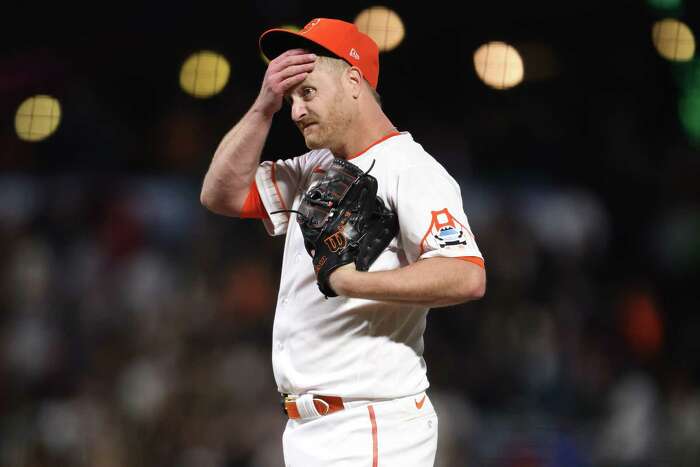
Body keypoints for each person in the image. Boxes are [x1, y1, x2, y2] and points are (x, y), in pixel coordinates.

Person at [200, 17, 486, 467]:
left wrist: (351, 282)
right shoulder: (316, 165)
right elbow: (220, 194)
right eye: (290, 98)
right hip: (310, 429)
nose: (295, 111)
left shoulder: (407, 167)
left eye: (307, 93)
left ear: (354, 81)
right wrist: (261, 109)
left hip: (370, 424)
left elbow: (466, 274)